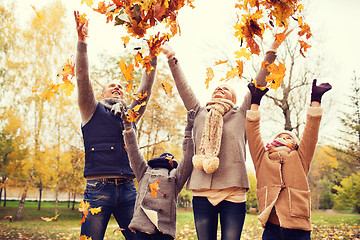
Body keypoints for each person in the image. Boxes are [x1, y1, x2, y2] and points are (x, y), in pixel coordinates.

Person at [160, 31, 290, 240]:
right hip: (202, 190)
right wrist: (171, 57)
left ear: (235, 97)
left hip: (233, 192)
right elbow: (183, 87)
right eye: (217, 88)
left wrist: (271, 51)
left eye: (226, 88)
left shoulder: (241, 113)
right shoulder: (199, 112)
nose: (220, 88)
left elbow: (259, 82)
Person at [74, 11, 157, 240]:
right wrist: (82, 43)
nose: (118, 87)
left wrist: (152, 58)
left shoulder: (129, 115)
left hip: (129, 190)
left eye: (121, 86)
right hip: (97, 189)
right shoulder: (92, 109)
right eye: (112, 86)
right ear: (101, 94)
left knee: (141, 238)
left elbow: (144, 94)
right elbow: (82, 80)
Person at [245, 79, 332, 240]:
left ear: (295, 144)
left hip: (298, 228)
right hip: (271, 228)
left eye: (288, 137)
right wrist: (255, 102)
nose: (284, 138)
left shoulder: (300, 157)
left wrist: (315, 101)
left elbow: (311, 133)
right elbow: (252, 134)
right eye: (280, 137)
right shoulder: (262, 158)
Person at [120, 109, 195, 240]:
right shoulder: (145, 170)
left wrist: (189, 132)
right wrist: (127, 127)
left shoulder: (175, 176)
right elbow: (133, 152)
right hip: (142, 224)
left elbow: (188, 160)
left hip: (164, 228)